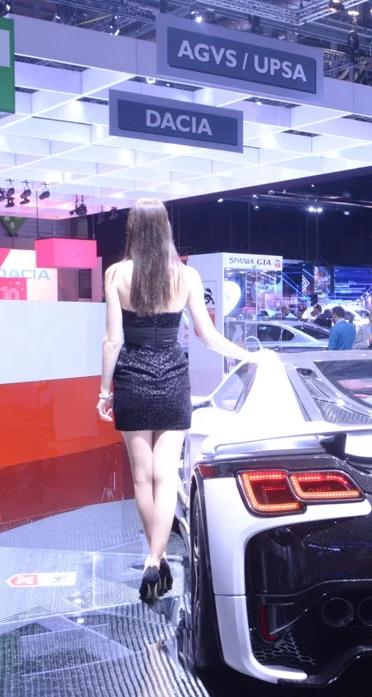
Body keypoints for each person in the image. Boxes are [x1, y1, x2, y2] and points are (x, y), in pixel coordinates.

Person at [98, 199, 259, 604]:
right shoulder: (186, 275)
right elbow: (208, 337)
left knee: (142, 477)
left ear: (133, 229)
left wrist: (104, 391)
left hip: (132, 377)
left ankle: (153, 556)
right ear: (165, 229)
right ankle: (156, 557)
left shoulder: (116, 273)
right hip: (172, 376)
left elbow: (113, 340)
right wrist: (251, 356)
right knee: (166, 474)